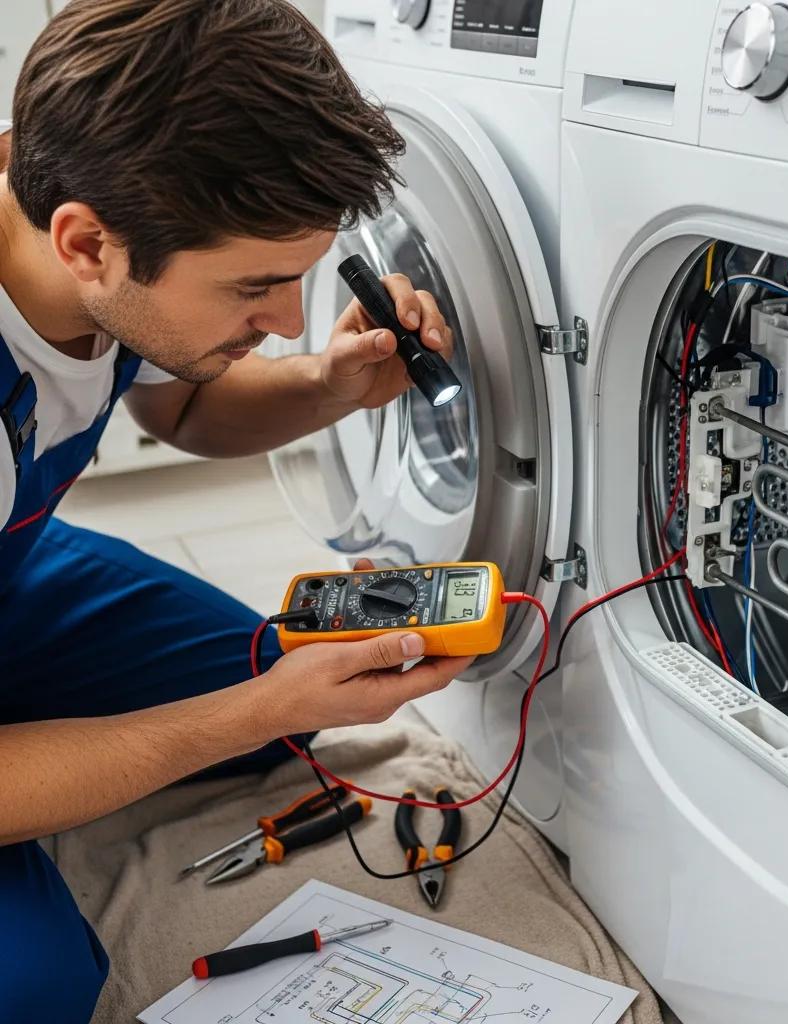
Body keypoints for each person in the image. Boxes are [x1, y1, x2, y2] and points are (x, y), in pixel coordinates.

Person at [0, 1, 473, 1019]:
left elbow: (185, 402)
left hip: (15, 567)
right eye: (255, 287)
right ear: (88, 246)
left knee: (269, 703)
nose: (284, 321)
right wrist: (251, 712)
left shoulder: (76, 197)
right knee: (35, 987)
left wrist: (327, 384)